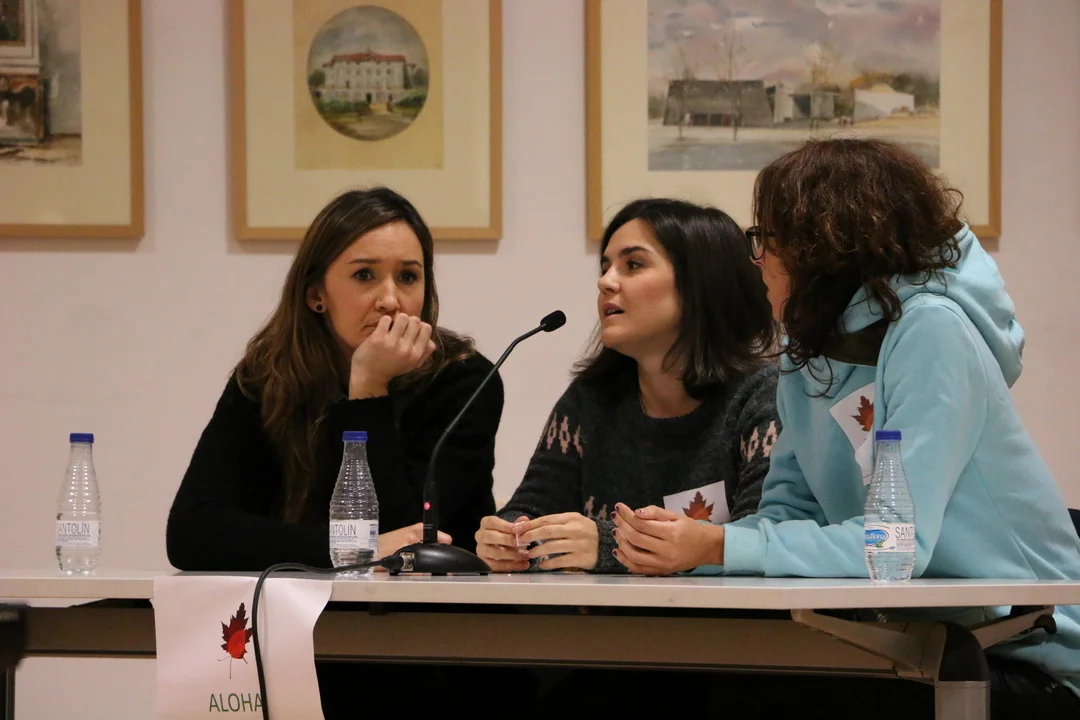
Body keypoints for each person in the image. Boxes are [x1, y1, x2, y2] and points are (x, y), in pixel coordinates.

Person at [612, 138, 1080, 718]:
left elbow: (897, 545)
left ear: (822, 244)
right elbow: (788, 514)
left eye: (768, 239)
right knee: (693, 687)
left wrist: (720, 545)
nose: (758, 259)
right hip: (912, 642)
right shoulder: (808, 351)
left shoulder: (931, 332)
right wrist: (685, 547)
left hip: (1026, 657)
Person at [165, 186, 517, 716]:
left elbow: (412, 550)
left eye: (408, 277)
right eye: (365, 275)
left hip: (439, 652)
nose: (391, 299)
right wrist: (346, 552)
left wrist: (369, 390)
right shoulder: (268, 377)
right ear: (316, 294)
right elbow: (193, 531)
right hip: (301, 636)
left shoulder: (465, 380)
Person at [475, 197, 779, 574]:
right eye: (605, 267)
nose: (605, 282)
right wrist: (509, 538)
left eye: (633, 265)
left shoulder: (763, 397)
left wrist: (609, 545)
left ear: (701, 281)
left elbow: (759, 544)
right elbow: (534, 506)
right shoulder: (589, 401)